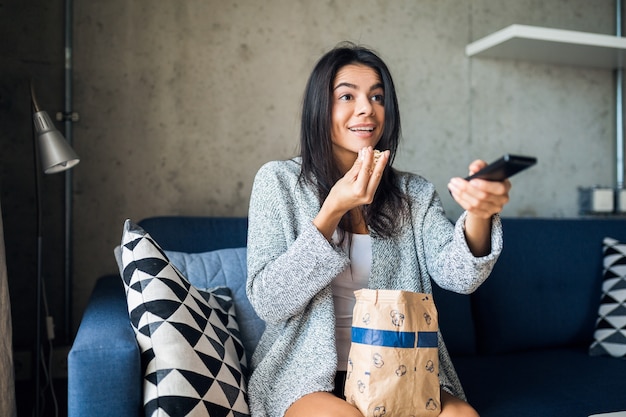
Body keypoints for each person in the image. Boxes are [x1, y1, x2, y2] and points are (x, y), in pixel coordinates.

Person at [245, 42, 511, 417]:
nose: (367, 108)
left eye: (377, 97)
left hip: (401, 369)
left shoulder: (412, 193)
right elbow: (269, 302)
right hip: (304, 376)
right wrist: (333, 209)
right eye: (347, 96)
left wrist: (479, 213)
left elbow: (459, 275)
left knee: (464, 415)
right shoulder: (279, 182)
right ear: (320, 108)